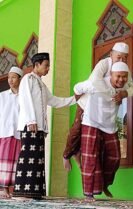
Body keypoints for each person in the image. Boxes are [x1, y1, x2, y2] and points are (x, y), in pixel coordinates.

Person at [62, 42, 133, 171]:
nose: (122, 60)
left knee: (100, 141)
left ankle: (85, 162)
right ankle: (66, 155)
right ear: (111, 54)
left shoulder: (124, 69)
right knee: (76, 130)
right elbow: (95, 81)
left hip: (105, 111)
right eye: (118, 57)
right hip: (87, 103)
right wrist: (114, 94)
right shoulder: (103, 64)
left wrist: (124, 93)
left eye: (125, 57)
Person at [12, 53, 76, 200]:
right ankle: (23, 192)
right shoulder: (28, 79)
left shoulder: (41, 84)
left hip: (39, 128)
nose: (48, 68)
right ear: (37, 65)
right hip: (30, 126)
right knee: (28, 158)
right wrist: (31, 120)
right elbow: (25, 99)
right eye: (46, 65)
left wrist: (75, 99)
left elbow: (54, 101)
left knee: (37, 159)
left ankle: (35, 192)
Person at [74, 61, 129, 201]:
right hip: (91, 122)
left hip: (109, 125)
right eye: (118, 76)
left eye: (124, 77)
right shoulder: (96, 83)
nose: (121, 80)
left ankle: (104, 184)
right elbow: (77, 87)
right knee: (90, 158)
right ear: (110, 74)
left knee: (115, 157)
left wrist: (123, 94)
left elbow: (131, 90)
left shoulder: (125, 86)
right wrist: (80, 102)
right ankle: (88, 193)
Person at [0, 67, 23, 199]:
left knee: (17, 162)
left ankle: (14, 189)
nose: (10, 80)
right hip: (4, 133)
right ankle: (3, 189)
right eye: (9, 77)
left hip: (19, 133)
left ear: (20, 79)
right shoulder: (2, 96)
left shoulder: (24, 96)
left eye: (13, 77)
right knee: (4, 161)